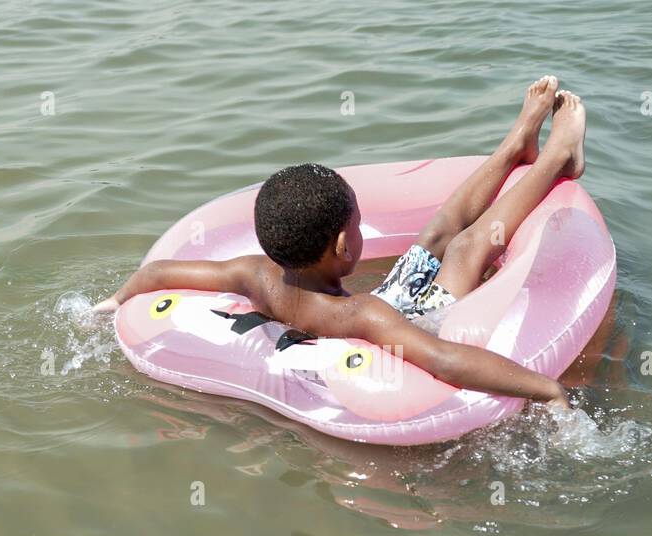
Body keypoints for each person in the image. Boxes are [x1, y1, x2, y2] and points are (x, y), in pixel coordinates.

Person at [96, 75, 587, 407]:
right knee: (466, 244)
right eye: (355, 226)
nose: (359, 229)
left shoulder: (254, 274)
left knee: (439, 229)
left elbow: (159, 274)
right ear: (340, 247)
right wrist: (545, 389)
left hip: (388, 299)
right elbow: (443, 360)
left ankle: (517, 143)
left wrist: (115, 301)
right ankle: (556, 160)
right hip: (416, 316)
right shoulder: (362, 316)